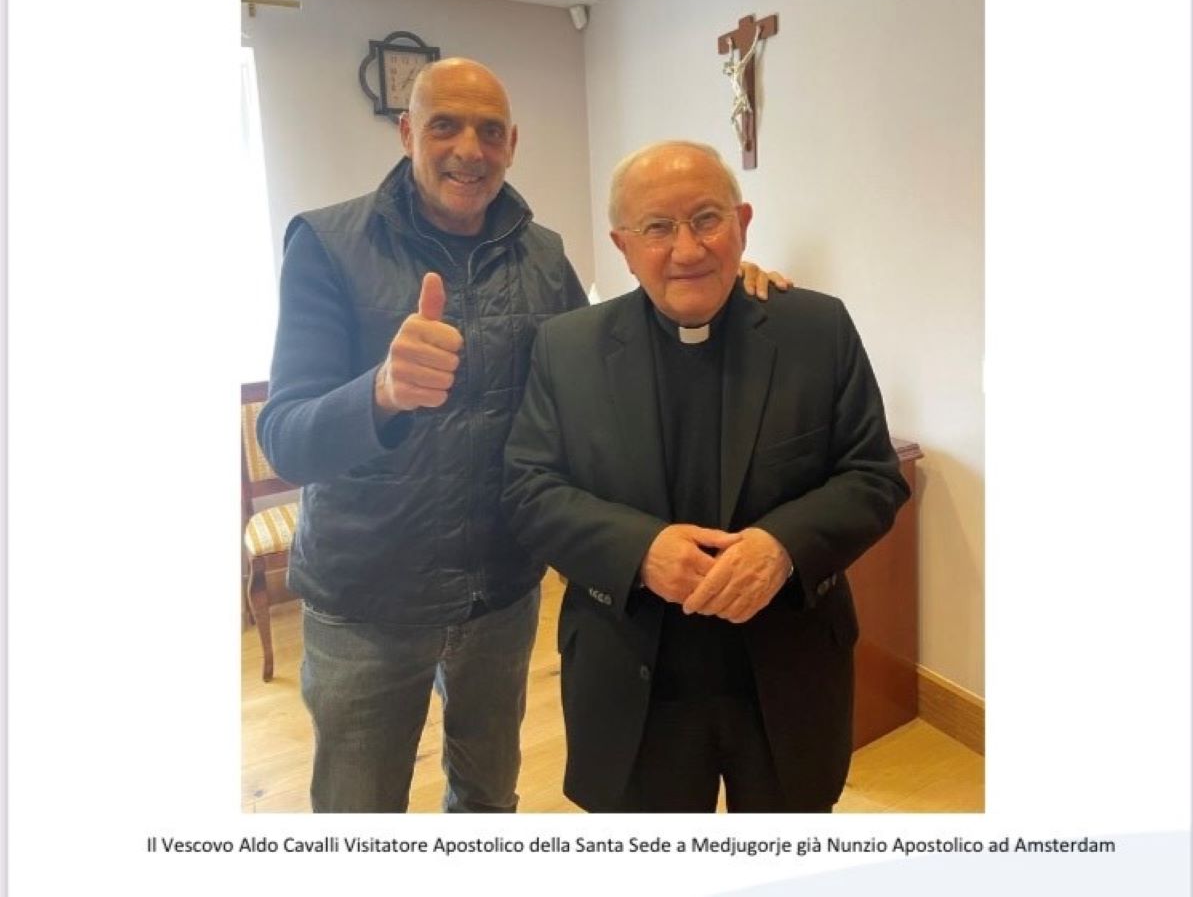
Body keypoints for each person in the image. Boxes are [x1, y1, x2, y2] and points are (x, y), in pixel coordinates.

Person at [256, 61, 784, 813]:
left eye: (489, 131)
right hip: (368, 598)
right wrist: (381, 391)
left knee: (488, 803)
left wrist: (714, 279)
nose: (469, 149)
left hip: (501, 594)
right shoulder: (327, 244)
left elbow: (612, 355)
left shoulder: (542, 253)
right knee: (359, 816)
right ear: (407, 132)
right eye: (444, 125)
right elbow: (285, 438)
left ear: (511, 144)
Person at [502, 140, 910, 813]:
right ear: (623, 246)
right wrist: (641, 551)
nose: (687, 249)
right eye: (657, 227)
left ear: (742, 223)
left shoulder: (817, 329)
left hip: (787, 671)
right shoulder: (568, 347)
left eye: (707, 219)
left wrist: (783, 547)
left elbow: (873, 475)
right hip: (635, 680)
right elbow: (528, 489)